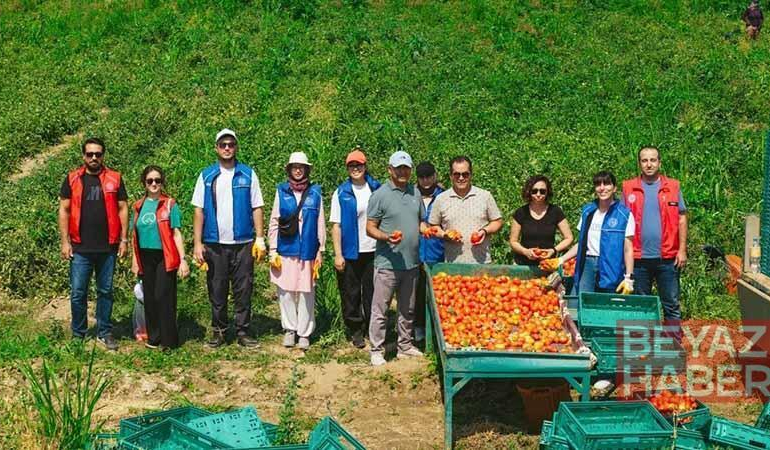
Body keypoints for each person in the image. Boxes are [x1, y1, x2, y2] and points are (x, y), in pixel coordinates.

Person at [192, 129, 265, 348]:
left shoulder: (248, 174)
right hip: (214, 244)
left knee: (244, 289)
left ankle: (243, 331)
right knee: (217, 288)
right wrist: (197, 243)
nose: (227, 148)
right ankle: (219, 331)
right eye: (223, 144)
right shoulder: (206, 176)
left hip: (243, 243)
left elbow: (257, 207)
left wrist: (260, 238)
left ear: (236, 147)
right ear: (216, 148)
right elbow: (198, 211)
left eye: (231, 144)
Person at [58, 137, 129, 351]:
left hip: (108, 247)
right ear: (83, 156)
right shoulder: (72, 179)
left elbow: (123, 208)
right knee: (78, 292)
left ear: (103, 156)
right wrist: (64, 241)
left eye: (98, 154)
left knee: (105, 291)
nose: (94, 158)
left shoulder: (115, 178)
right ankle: (78, 334)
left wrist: (124, 240)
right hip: (80, 248)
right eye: (90, 154)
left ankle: (104, 332)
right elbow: (64, 210)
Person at [366, 150, 426, 366]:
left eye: (406, 168)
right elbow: (370, 227)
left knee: (407, 308)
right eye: (398, 168)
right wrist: (386, 237)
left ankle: (405, 346)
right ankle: (376, 349)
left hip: (411, 262)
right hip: (387, 264)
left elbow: (419, 221)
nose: (403, 172)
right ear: (389, 170)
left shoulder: (415, 193)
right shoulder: (380, 195)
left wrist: (427, 229)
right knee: (380, 309)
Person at [622, 147, 687, 321]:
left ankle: (673, 343)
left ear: (659, 162)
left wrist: (682, 250)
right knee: (642, 306)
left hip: (668, 258)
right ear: (639, 163)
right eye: (644, 160)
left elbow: (682, 219)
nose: (649, 164)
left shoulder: (672, 186)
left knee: (671, 304)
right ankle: (645, 344)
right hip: (638, 259)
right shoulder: (628, 188)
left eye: (653, 160)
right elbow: (621, 221)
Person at [269, 152, 325, 351]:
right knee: (285, 291)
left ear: (307, 169)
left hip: (308, 250)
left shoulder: (315, 192)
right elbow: (275, 220)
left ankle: (304, 333)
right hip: (286, 249)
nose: (298, 170)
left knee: (306, 292)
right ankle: (289, 329)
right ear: (289, 170)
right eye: (295, 167)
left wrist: (321, 250)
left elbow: (320, 222)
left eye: (302, 167)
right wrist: (272, 250)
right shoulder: (281, 191)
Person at [130, 166, 190, 350]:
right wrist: (134, 260)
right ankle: (153, 337)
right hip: (145, 256)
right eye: (150, 181)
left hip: (165, 255)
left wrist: (183, 259)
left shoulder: (170, 204)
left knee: (163, 296)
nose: (154, 184)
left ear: (162, 182)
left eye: (157, 180)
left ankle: (169, 340)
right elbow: (135, 234)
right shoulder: (138, 206)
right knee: (150, 297)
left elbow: (176, 233)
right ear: (144, 183)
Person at [330, 148, 380, 349]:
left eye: (358, 165)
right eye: (351, 165)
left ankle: (372, 328)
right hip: (350, 250)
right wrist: (338, 253)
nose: (355, 169)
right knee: (350, 293)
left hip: (373, 249)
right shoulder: (341, 192)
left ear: (365, 166)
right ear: (347, 168)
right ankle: (355, 329)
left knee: (372, 293)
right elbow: (336, 225)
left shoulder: (376, 188)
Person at [560, 171, 635, 295]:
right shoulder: (588, 211)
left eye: (606, 184)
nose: (602, 188)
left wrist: (629, 278)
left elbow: (628, 249)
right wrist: (561, 259)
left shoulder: (625, 214)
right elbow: (582, 243)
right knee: (580, 301)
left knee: (607, 304)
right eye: (598, 184)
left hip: (611, 266)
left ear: (615, 188)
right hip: (587, 264)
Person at [426, 156, 503, 264]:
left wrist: (485, 231)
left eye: (465, 174)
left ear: (471, 175)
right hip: (453, 263)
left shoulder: (485, 196)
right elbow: (433, 226)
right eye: (456, 174)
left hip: (482, 263)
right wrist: (444, 235)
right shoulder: (441, 199)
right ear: (451, 176)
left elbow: (497, 221)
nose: (461, 178)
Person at [509, 175, 573, 266]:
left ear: (547, 192)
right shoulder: (521, 212)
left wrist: (553, 250)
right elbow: (513, 241)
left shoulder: (555, 211)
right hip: (523, 263)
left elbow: (569, 238)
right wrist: (525, 251)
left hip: (547, 264)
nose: (538, 194)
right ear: (529, 192)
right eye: (534, 191)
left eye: (542, 191)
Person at [414, 161, 444, 342]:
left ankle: (436, 328)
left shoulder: (444, 196)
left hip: (438, 252)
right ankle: (418, 328)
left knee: (437, 293)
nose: (425, 180)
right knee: (416, 293)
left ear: (435, 176)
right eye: (422, 177)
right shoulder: (411, 194)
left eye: (429, 176)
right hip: (415, 252)